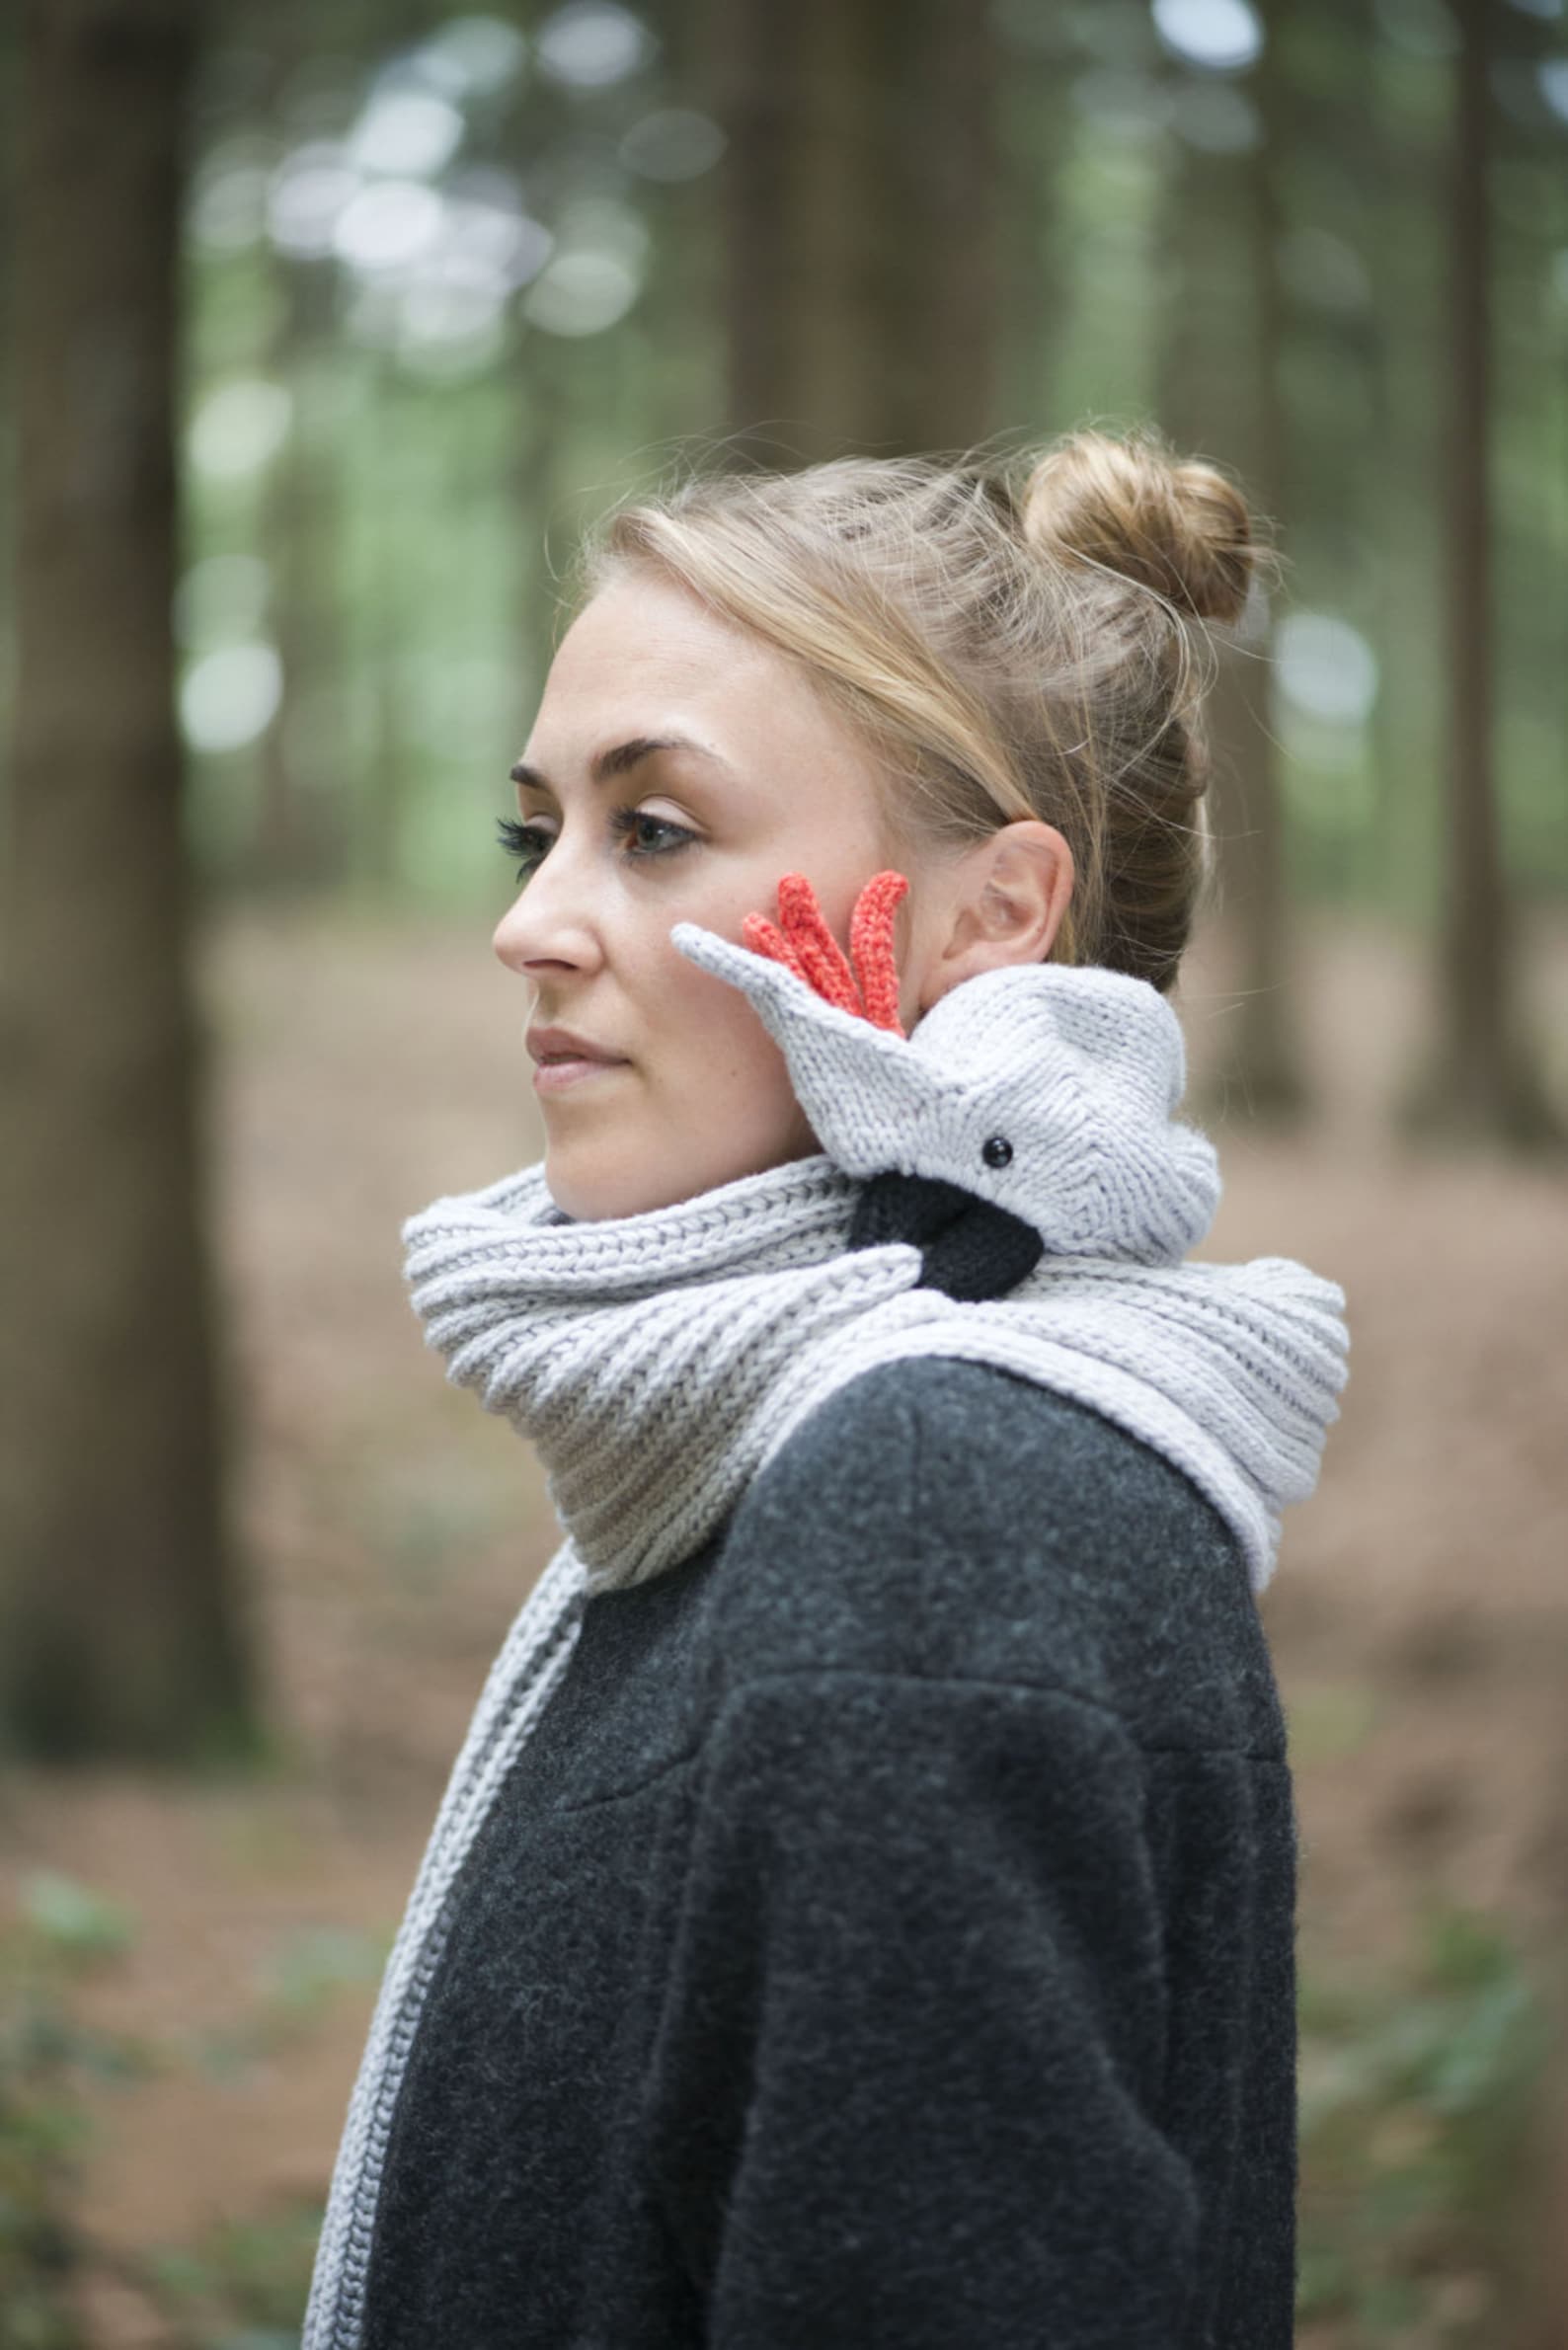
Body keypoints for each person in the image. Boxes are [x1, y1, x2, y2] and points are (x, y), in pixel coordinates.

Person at [302, 426, 1350, 2350]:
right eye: (536, 832)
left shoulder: (941, 1507)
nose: (528, 922)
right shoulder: (775, 1448)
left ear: (991, 915)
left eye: (654, 828)